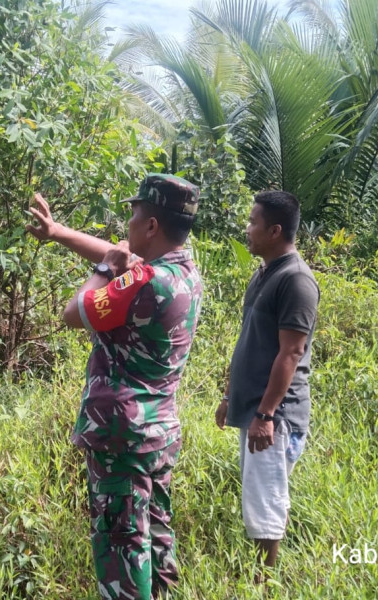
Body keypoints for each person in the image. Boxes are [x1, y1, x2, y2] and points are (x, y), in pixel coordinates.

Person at [27, 174, 203, 600]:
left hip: (121, 439)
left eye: (134, 213)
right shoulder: (183, 271)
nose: (127, 221)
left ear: (152, 227)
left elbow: (73, 312)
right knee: (155, 540)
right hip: (157, 434)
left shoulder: (140, 284)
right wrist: (57, 233)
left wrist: (104, 269)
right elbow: (119, 255)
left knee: (122, 550)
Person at [214, 190, 320, 580]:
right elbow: (250, 341)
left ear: (275, 230)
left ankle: (263, 584)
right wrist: (229, 395)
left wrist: (265, 414)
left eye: (253, 222)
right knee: (257, 499)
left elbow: (290, 354)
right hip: (255, 407)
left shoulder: (296, 282)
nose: (247, 228)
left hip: (275, 416)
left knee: (266, 504)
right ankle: (259, 576)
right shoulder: (264, 273)